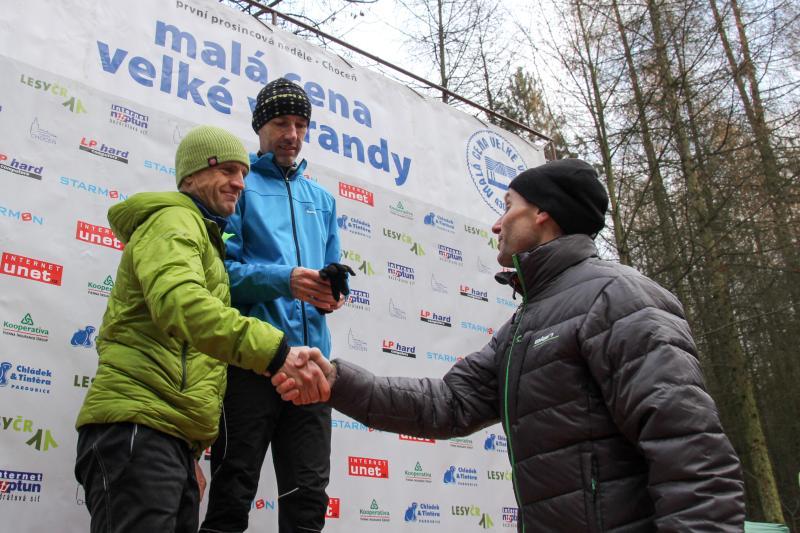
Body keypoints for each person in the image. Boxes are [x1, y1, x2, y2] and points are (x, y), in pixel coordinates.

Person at [276, 159, 746, 531]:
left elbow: (693, 454)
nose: (497, 225)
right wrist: (335, 380)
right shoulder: (527, 322)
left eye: (507, 206)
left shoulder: (620, 298)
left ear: (542, 213)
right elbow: (448, 403)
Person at [74, 125, 330, 533]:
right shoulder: (173, 221)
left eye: (243, 173)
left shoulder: (205, 238)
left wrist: (188, 453)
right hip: (139, 429)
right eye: (227, 170)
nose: (239, 183)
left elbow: (190, 354)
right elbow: (184, 305)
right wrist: (277, 352)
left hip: (168, 439)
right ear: (191, 176)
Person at [202, 79, 347, 533]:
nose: (292, 134)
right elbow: (220, 275)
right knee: (232, 495)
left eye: (301, 124)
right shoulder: (238, 189)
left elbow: (330, 280)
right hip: (254, 362)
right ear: (260, 126)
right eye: (282, 123)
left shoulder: (323, 200)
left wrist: (332, 293)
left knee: (308, 504)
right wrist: (284, 280)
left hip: (313, 367)